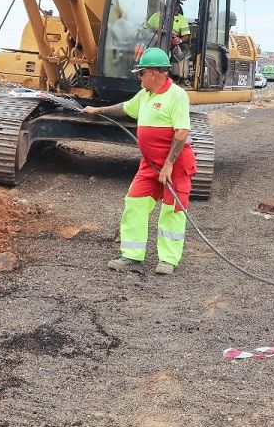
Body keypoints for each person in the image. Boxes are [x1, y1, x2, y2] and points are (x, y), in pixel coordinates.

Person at [83, 47, 195, 275]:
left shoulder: (176, 95)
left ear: (154, 72)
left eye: (141, 73)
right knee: (134, 204)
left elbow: (181, 132)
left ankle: (168, 259)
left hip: (175, 165)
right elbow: (125, 108)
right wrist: (98, 110)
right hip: (149, 164)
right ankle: (132, 256)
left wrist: (168, 166)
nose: (139, 77)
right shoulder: (145, 95)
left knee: (171, 211)